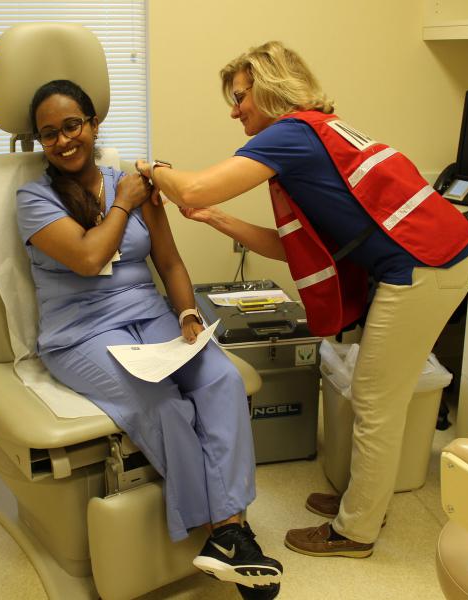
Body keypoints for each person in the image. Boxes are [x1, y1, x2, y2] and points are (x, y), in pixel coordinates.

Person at [136, 41, 468, 559]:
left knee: (375, 402)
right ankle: (364, 500)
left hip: (424, 265)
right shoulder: (314, 129)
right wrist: (216, 221)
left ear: (270, 90)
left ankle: (356, 530)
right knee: (374, 394)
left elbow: (195, 188)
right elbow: (293, 247)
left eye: (239, 96)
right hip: (433, 256)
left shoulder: (291, 134)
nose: (234, 110)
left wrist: (153, 169)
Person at [16, 79, 282, 599]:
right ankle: (226, 531)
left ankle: (229, 535)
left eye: (73, 125)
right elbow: (90, 258)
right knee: (161, 404)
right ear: (40, 143)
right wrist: (123, 202)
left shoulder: (133, 182)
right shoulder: (35, 198)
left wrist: (186, 313)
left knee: (223, 381)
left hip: (151, 315)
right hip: (80, 333)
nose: (64, 140)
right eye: (49, 134)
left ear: (93, 124)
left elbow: (169, 262)